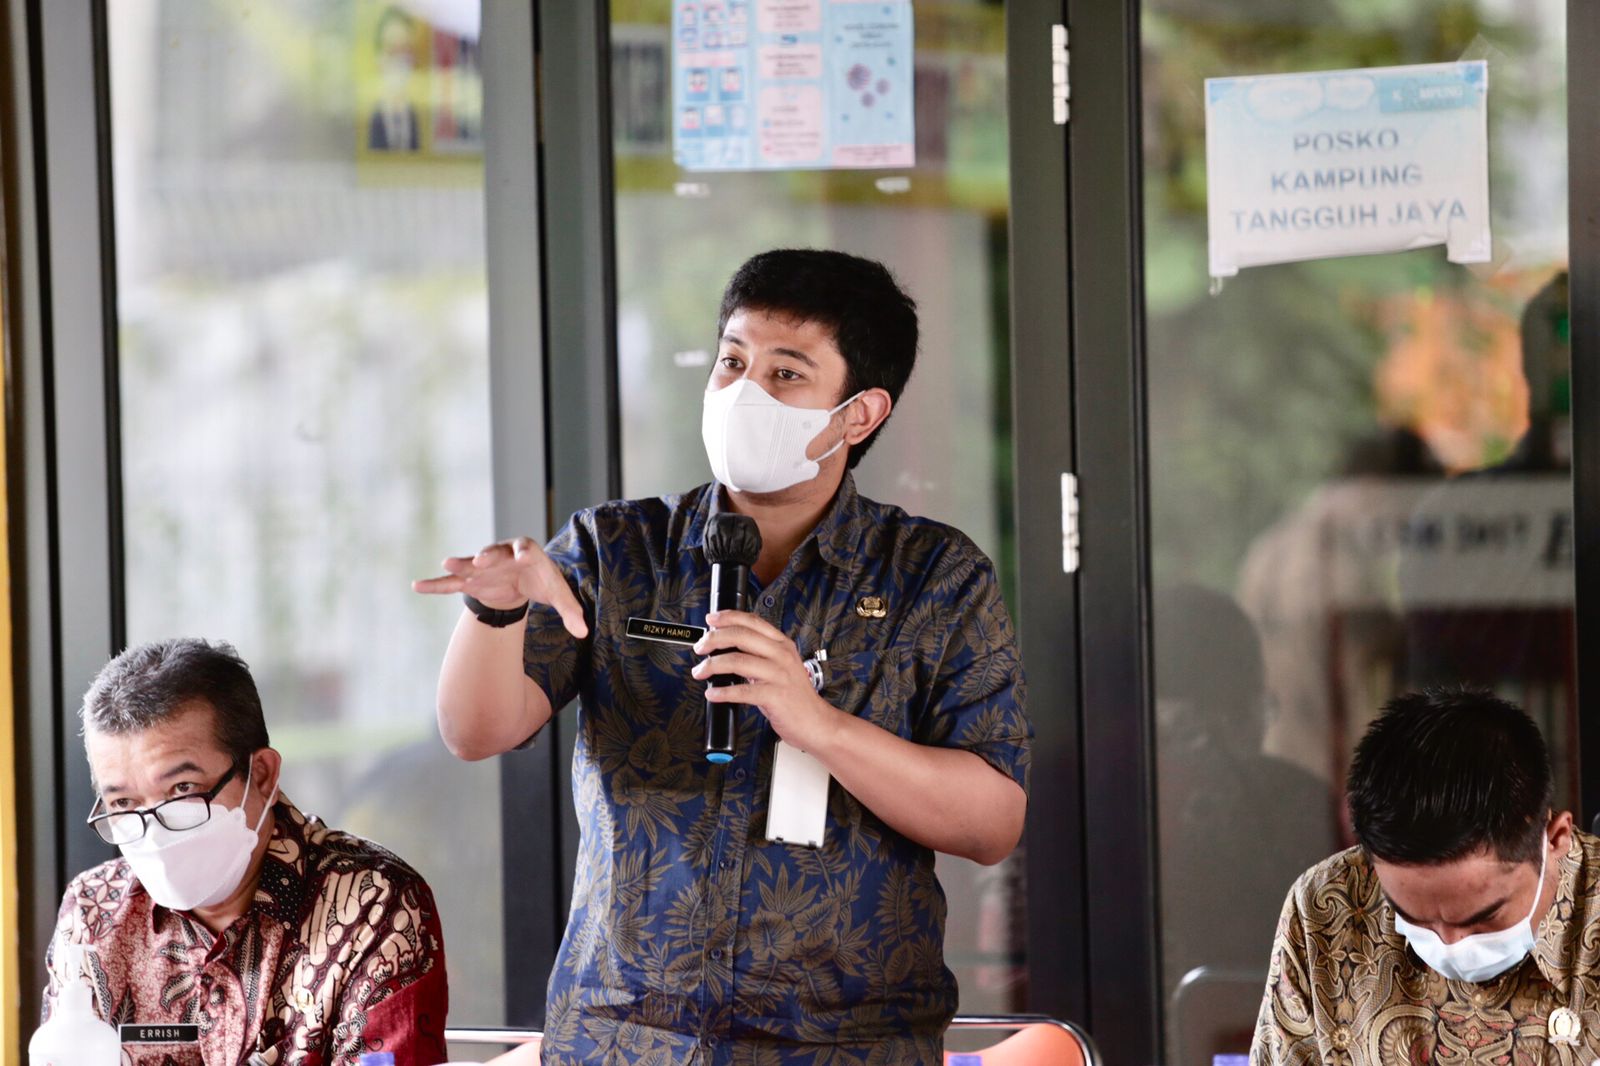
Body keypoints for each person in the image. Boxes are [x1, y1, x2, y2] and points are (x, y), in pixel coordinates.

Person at [415, 248, 1031, 1063]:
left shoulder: (933, 575)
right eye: (733, 362)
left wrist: (818, 726)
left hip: (847, 1042)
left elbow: (992, 822)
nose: (745, 392)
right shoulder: (617, 549)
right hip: (624, 1037)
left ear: (859, 414)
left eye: (786, 374)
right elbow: (475, 731)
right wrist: (493, 612)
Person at [41, 638, 449, 1066]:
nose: (153, 830)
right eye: (123, 802)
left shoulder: (371, 903)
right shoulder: (95, 911)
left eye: (182, 790)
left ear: (263, 774)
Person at [1251, 688, 1598, 1065]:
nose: (1450, 946)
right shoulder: (1327, 909)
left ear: (1554, 839)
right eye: (1414, 918)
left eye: (1484, 918)